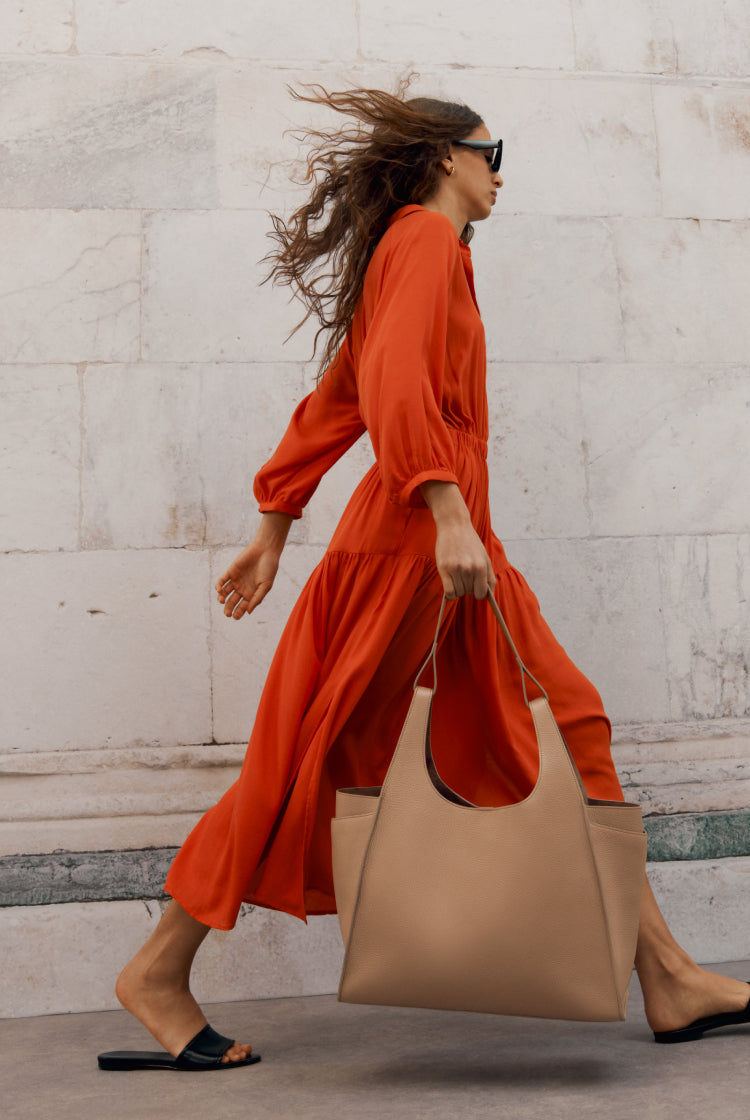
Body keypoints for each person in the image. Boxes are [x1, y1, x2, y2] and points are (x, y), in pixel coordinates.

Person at [98, 85, 750, 1072]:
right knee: (310, 759)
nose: (500, 173)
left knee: (567, 725)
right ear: (448, 156)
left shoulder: (419, 252)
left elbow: (339, 397)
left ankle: (665, 973)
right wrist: (444, 513)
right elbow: (394, 388)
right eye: (493, 152)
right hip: (421, 544)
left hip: (445, 541)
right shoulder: (427, 243)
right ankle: (156, 968)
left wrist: (276, 523)